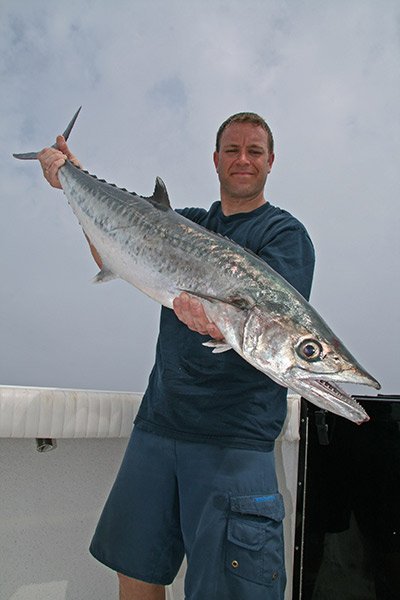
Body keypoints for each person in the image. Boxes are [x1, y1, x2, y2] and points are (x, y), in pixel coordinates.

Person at [38, 112, 315, 600]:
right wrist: (68, 177)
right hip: (157, 427)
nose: (243, 159)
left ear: (271, 161)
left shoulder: (284, 236)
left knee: (228, 590)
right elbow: (113, 255)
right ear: (216, 160)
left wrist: (216, 317)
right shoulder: (183, 223)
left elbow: (267, 328)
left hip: (233, 440)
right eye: (232, 150)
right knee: (136, 571)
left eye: (254, 151)